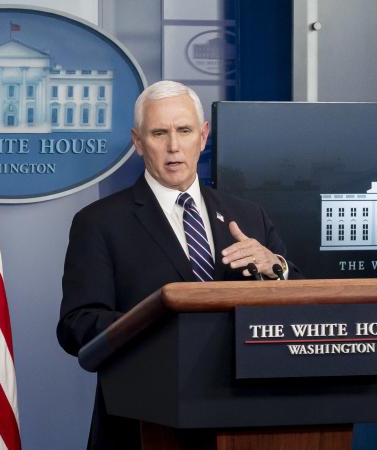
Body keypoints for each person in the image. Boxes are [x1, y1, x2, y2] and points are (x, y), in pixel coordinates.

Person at [57, 80, 298, 450]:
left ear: (202, 137)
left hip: (244, 420)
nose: (173, 146)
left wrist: (275, 266)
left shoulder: (247, 215)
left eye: (184, 131)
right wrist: (160, 323)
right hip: (141, 422)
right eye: (159, 133)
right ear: (138, 142)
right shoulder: (100, 222)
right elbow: (77, 325)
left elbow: (302, 304)